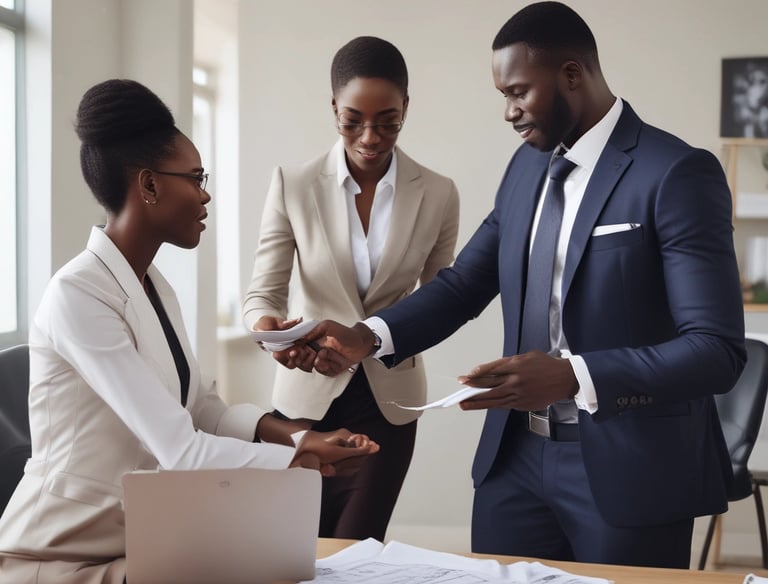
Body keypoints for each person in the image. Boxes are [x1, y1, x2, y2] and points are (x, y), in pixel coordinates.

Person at [301, 1, 746, 569]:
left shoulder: (676, 172)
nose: (509, 112)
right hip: (513, 463)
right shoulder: (526, 167)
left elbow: (715, 350)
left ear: (572, 74)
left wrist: (571, 376)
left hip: (630, 468)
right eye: (503, 96)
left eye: (518, 92)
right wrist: (366, 336)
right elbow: (464, 284)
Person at [0, 79, 378, 584]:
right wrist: (299, 455)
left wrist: (303, 435)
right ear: (149, 185)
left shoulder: (154, 285)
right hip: (62, 552)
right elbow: (182, 450)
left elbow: (202, 409)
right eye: (196, 177)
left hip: (135, 537)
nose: (205, 194)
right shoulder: (78, 294)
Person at [241, 36, 460, 541]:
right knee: (293, 548)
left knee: (357, 549)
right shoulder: (293, 184)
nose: (370, 137)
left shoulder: (439, 193)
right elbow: (262, 294)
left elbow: (440, 304)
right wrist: (270, 333)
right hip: (304, 397)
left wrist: (373, 339)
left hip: (389, 401)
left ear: (406, 108)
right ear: (334, 108)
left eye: (388, 121)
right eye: (352, 120)